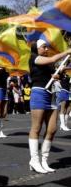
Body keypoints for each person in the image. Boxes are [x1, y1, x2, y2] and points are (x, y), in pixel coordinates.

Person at [28, 39, 71, 173]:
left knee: (52, 129)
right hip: (39, 93)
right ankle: (34, 160)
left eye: (46, 47)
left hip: (50, 94)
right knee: (36, 128)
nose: (46, 49)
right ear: (37, 48)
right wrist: (67, 51)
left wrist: (56, 75)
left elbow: (50, 74)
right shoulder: (34, 58)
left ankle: (44, 161)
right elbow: (52, 59)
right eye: (44, 47)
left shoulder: (47, 63)